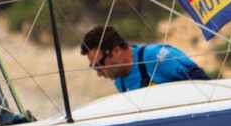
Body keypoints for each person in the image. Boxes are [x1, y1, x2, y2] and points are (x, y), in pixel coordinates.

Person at [79, 26, 210, 93]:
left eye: (98, 65)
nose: (99, 73)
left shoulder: (156, 56)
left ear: (117, 51)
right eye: (94, 67)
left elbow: (205, 85)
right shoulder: (120, 80)